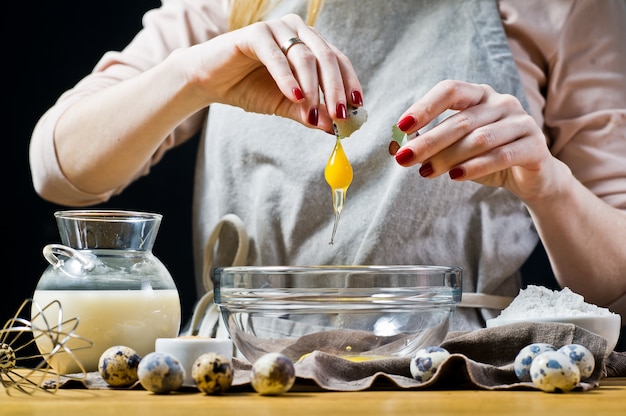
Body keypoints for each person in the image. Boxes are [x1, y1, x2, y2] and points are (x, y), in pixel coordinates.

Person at [29, 0, 626, 335]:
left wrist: (549, 184)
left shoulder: (565, 9)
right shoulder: (225, 4)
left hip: (450, 378)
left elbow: (618, 289)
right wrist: (194, 76)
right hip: (237, 377)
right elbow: (58, 169)